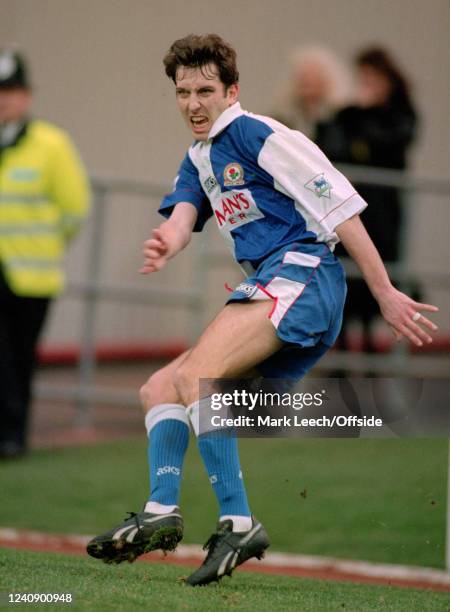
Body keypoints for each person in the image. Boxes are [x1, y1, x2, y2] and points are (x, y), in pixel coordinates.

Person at [86, 34, 438, 586]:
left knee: (203, 378)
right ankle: (160, 512)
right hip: (275, 285)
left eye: (206, 90)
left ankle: (238, 522)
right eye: (183, 92)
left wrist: (386, 291)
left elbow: (342, 209)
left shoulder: (260, 134)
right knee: (160, 387)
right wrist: (168, 240)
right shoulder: (199, 156)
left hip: (305, 275)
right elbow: (184, 214)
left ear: (232, 91)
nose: (193, 104)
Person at [0, 48, 90, 458]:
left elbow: (74, 208)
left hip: (30, 275)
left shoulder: (51, 145)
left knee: (19, 359)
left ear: (27, 95)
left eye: (11, 90)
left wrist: (45, 246)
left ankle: (14, 436)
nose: (4, 99)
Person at [314, 47, 419, 352]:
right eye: (363, 78)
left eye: (373, 78)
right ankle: (342, 349)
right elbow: (330, 147)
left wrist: (367, 113)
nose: (367, 85)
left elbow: (391, 146)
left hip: (384, 213)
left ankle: (375, 350)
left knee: (381, 273)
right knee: (345, 276)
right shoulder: (348, 114)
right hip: (349, 210)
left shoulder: (400, 113)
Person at [272, 45, 353, 138]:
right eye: (302, 76)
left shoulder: (341, 121)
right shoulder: (284, 121)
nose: (306, 81)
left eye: (312, 75)